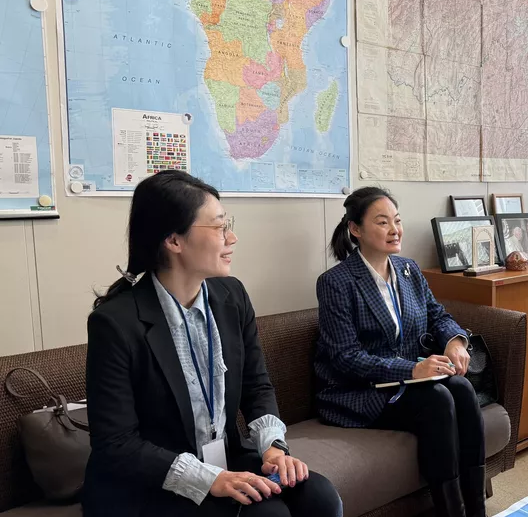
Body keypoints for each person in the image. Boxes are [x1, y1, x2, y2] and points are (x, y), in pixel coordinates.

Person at [84, 170, 342, 517]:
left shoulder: (231, 296)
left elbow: (256, 386)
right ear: (174, 240)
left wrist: (273, 447)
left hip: (222, 459)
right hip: (151, 481)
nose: (231, 237)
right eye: (220, 227)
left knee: (320, 497)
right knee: (268, 514)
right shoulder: (115, 323)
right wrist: (211, 479)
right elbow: (117, 444)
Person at [315, 186, 486, 517]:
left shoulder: (408, 270)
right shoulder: (336, 282)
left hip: (409, 382)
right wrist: (411, 370)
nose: (394, 230)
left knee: (463, 390)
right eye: (382, 222)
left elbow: (438, 316)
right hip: (361, 390)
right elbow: (345, 357)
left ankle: (477, 511)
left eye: (397, 220)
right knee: (437, 399)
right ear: (355, 229)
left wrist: (455, 341)